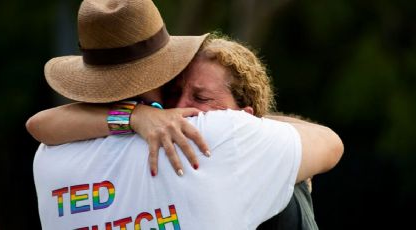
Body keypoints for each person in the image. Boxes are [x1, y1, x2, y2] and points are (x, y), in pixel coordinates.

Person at [29, 0, 343, 229]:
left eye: (199, 96)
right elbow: (329, 143)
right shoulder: (217, 136)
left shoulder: (50, 158)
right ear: (158, 71)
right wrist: (254, 125)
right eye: (176, 90)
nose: (181, 107)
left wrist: (134, 116)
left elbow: (39, 124)